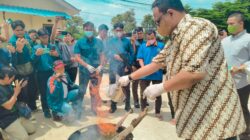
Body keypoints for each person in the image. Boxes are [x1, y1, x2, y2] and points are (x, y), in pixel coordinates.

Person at [118, 0, 246, 139]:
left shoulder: (196, 27)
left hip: (214, 117)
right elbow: (156, 63)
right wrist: (129, 78)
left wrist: (161, 87)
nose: (157, 26)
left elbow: (193, 73)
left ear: (170, 13)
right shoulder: (175, 38)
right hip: (196, 117)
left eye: (157, 21)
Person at [222, 12, 250, 140]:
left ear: (241, 23)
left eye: (231, 24)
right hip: (225, 82)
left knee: (242, 109)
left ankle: (245, 134)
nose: (229, 26)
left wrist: (241, 67)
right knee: (227, 111)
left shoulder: (248, 39)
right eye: (228, 24)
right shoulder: (225, 41)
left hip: (241, 83)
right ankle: (230, 135)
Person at [74, 21, 105, 116]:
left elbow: (102, 55)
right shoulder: (79, 42)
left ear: (93, 30)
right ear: (84, 30)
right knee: (81, 90)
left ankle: (93, 108)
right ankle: (78, 109)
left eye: (90, 29)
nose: (89, 31)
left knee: (94, 91)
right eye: (87, 30)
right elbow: (77, 57)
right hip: (84, 71)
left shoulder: (99, 42)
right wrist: (86, 65)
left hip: (96, 71)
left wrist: (101, 66)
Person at [8, 20, 37, 111]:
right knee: (22, 91)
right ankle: (24, 110)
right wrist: (19, 51)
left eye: (21, 29)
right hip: (19, 70)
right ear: (13, 30)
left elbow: (31, 50)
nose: (20, 32)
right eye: (17, 30)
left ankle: (33, 106)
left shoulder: (27, 37)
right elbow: (14, 61)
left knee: (33, 88)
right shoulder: (12, 42)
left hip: (30, 67)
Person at [0, 66, 35, 140]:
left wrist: (20, 87)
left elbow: (13, 95)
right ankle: (5, 134)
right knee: (24, 137)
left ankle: (17, 128)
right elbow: (8, 106)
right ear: (6, 77)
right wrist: (16, 92)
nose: (13, 79)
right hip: (5, 118)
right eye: (12, 78)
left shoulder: (7, 83)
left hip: (16, 113)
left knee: (32, 130)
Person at [31, 28, 60, 118]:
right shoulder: (36, 47)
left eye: (46, 37)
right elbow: (32, 62)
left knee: (53, 91)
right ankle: (46, 110)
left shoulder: (53, 46)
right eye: (43, 37)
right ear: (39, 38)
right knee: (43, 93)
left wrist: (57, 55)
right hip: (41, 74)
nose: (45, 39)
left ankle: (54, 109)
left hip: (52, 73)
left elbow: (59, 60)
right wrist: (36, 55)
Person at [137, 29, 164, 120]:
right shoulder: (142, 46)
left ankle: (157, 112)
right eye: (148, 38)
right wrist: (143, 68)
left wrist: (162, 66)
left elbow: (165, 58)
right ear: (146, 37)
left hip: (157, 73)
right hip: (145, 74)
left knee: (158, 93)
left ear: (155, 36)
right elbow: (140, 59)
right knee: (143, 93)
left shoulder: (161, 46)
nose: (150, 39)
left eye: (152, 37)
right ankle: (143, 110)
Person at [106, 23, 134, 113]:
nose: (118, 32)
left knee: (125, 86)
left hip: (124, 67)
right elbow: (106, 52)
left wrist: (128, 65)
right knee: (113, 86)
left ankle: (127, 105)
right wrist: (113, 55)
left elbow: (132, 53)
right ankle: (113, 106)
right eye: (117, 30)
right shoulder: (111, 41)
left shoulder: (127, 41)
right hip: (113, 67)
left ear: (123, 30)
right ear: (114, 31)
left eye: (120, 30)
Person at [131, 27, 145, 108]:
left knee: (144, 84)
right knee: (135, 84)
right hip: (135, 66)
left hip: (143, 66)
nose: (139, 35)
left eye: (140, 33)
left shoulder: (146, 42)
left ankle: (144, 99)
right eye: (137, 33)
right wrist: (133, 43)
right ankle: (136, 101)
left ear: (143, 33)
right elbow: (132, 53)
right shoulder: (133, 42)